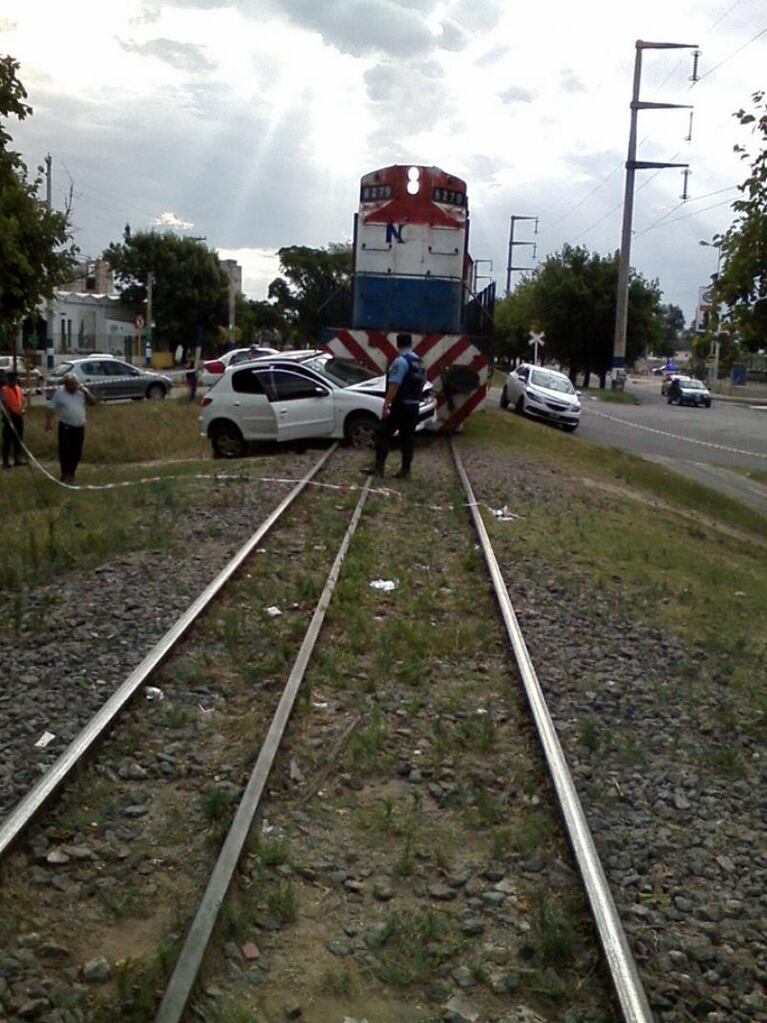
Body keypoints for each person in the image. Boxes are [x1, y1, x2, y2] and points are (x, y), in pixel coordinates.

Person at [366, 333, 426, 479]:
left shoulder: (400, 362)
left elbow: (394, 384)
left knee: (382, 433)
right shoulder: (419, 362)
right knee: (407, 438)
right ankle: (406, 470)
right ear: (411, 344)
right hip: (414, 406)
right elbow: (422, 382)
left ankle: (379, 468)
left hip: (400, 405)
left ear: (397, 344)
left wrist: (386, 404)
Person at [45, 373, 96, 484]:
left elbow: (93, 403)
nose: (72, 387)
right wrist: (48, 424)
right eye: (69, 385)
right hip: (65, 426)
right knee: (65, 451)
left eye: (74, 385)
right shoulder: (59, 393)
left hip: (79, 426)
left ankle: (71, 474)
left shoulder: (82, 392)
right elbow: (51, 409)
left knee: (77, 452)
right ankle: (65, 474)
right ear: (65, 385)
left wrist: (86, 392)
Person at [1, 371, 27, 469]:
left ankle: (17, 459)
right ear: (8, 380)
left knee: (18, 439)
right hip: (9, 417)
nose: (14, 381)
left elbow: (22, 401)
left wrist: (23, 409)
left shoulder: (19, 389)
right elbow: (4, 402)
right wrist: (10, 411)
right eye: (12, 379)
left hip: (19, 417)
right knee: (7, 440)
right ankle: (5, 461)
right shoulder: (4, 389)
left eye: (15, 379)